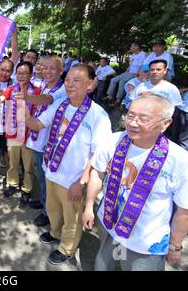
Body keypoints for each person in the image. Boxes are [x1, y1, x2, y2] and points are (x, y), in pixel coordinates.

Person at [83, 94, 188, 271]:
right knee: (105, 263)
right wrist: (88, 206)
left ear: (165, 124)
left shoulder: (180, 160)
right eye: (130, 115)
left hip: (145, 241)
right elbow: (97, 174)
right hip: (110, 221)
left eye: (143, 119)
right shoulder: (112, 141)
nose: (132, 123)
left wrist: (175, 246)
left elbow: (183, 210)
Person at [25, 64, 112, 264]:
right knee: (53, 210)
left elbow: (98, 156)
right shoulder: (60, 105)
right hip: (52, 170)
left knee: (72, 217)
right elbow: (37, 124)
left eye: (77, 80)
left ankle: (67, 248)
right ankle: (56, 233)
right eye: (68, 80)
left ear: (90, 85)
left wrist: (81, 183)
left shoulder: (98, 116)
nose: (70, 84)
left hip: (73, 179)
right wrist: (21, 110)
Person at [0, 61, 47, 207]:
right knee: (13, 163)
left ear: (31, 75)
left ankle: (27, 189)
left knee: (28, 166)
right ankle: (12, 183)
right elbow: (1, 99)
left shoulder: (37, 92)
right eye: (19, 73)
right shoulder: (11, 89)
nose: (22, 76)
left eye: (25, 73)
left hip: (30, 136)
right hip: (13, 134)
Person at [25, 56, 67, 227]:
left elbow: (47, 100)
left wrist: (26, 99)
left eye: (52, 69)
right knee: (41, 176)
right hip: (38, 137)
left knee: (47, 178)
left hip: (50, 142)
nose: (47, 71)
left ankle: (48, 213)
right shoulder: (43, 85)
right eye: (45, 68)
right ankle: (44, 204)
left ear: (61, 71)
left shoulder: (62, 89)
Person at [106, 42, 147, 106]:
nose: (130, 48)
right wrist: (126, 71)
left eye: (132, 46)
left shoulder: (143, 54)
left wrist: (137, 75)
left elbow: (141, 66)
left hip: (134, 73)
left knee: (122, 81)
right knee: (113, 80)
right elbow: (130, 65)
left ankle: (118, 100)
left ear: (137, 47)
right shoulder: (133, 55)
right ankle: (109, 97)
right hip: (128, 72)